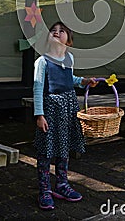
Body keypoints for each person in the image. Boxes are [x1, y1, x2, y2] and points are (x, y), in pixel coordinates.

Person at [33, 21, 97, 210]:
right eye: (53, 31)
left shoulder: (69, 58)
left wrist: (84, 81)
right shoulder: (42, 61)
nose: (56, 32)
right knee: (45, 152)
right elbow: (37, 89)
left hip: (68, 109)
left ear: (68, 41)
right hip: (51, 110)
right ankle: (44, 191)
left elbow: (71, 79)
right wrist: (39, 115)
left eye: (62, 31)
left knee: (64, 149)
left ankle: (62, 185)